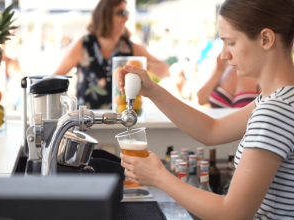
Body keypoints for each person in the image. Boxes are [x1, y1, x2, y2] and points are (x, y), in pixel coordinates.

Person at [116, 0, 294, 219]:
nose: (224, 55)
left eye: (231, 43)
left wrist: (159, 176)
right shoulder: (278, 101)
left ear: (266, 39)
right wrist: (152, 90)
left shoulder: (275, 112)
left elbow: (233, 213)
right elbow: (213, 130)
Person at [53, 0, 169, 109]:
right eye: (121, 13)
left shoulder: (130, 47)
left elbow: (165, 70)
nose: (126, 18)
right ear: (105, 15)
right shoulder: (84, 45)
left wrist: (141, 65)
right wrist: (66, 106)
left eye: (126, 13)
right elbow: (55, 78)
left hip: (121, 119)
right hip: (85, 121)